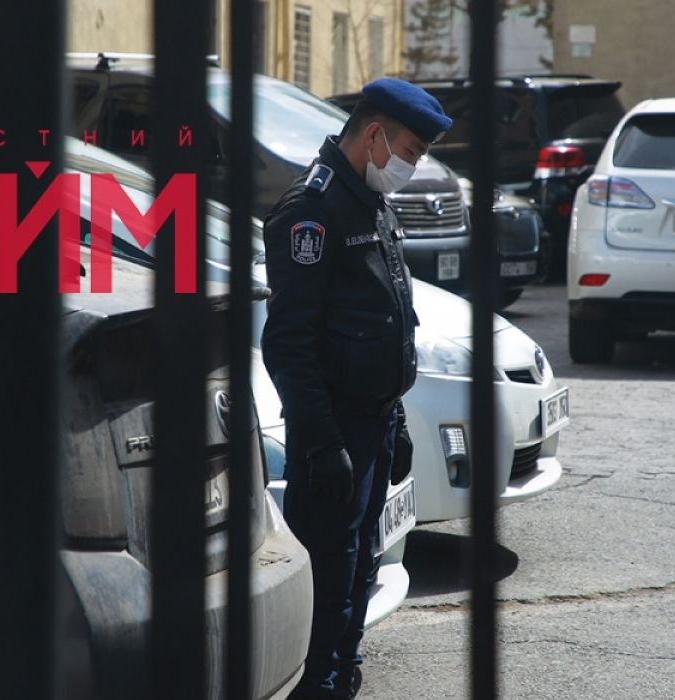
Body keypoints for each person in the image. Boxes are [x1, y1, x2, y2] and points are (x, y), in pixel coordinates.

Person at [261, 78, 451, 700]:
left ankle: (342, 673)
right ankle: (316, 684)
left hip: (375, 423)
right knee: (329, 574)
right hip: (334, 432)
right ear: (374, 136)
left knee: (361, 564)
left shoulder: (371, 202)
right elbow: (289, 344)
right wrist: (320, 443)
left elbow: (387, 321)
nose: (411, 167)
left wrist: (397, 422)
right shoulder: (312, 210)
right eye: (411, 151)